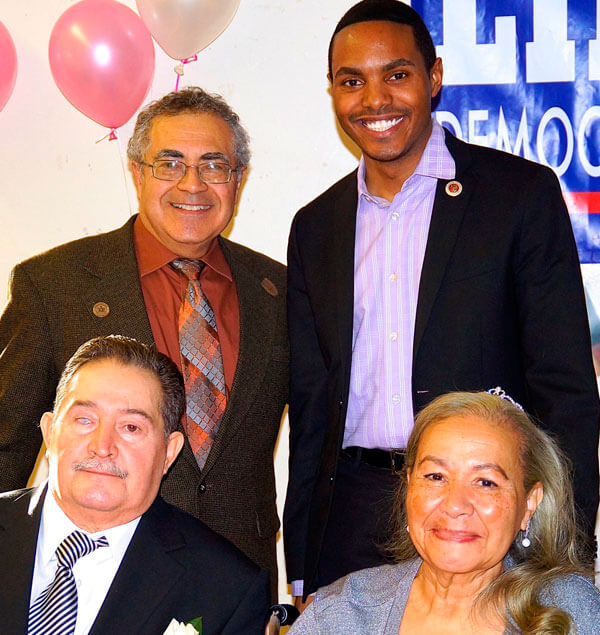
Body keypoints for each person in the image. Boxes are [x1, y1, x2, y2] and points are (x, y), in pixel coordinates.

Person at [284, 0, 600, 601]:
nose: (374, 99)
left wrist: (568, 555)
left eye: (397, 75)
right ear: (333, 92)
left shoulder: (518, 196)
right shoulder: (316, 226)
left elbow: (566, 392)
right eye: (352, 81)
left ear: (433, 78)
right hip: (351, 513)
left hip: (479, 509)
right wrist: (302, 558)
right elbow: (310, 405)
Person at [0, 87, 288, 598]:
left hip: (240, 578)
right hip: (97, 575)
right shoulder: (54, 285)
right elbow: (8, 442)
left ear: (238, 179)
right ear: (137, 173)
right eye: (169, 163)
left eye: (214, 165)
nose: (192, 184)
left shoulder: (280, 292)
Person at [0, 335, 270, 634]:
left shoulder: (227, 590)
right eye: (85, 420)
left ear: (169, 453)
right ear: (50, 432)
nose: (102, 446)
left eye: (131, 427)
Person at [289, 390, 600, 634]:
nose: (455, 505)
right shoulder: (342, 613)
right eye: (436, 477)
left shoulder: (571, 611)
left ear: (529, 503)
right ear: (409, 487)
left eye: (485, 482)